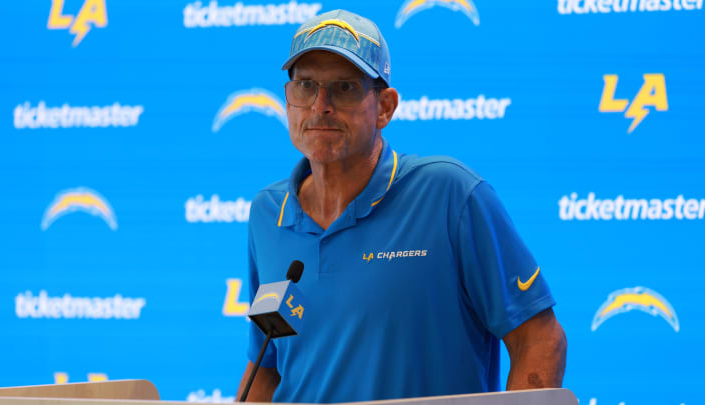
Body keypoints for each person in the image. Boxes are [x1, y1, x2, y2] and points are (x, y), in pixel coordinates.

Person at [237, 9, 567, 403]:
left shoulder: (450, 193)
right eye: (306, 85)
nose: (320, 105)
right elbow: (265, 369)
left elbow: (540, 338)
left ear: (386, 107)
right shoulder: (267, 213)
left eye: (344, 88)